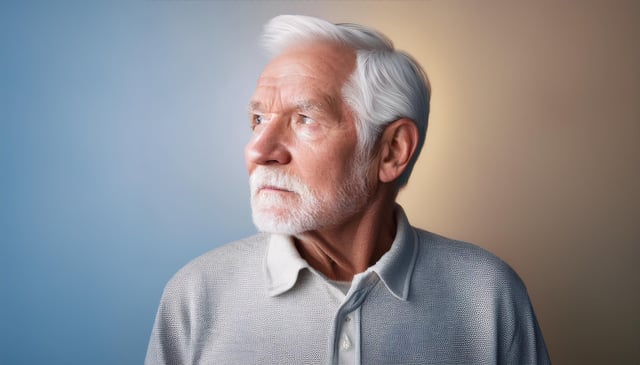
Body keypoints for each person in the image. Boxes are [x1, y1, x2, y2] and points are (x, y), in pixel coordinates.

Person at [145, 14, 550, 365]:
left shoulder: (488, 294)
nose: (258, 150)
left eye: (305, 118)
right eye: (257, 119)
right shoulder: (196, 295)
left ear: (392, 151)